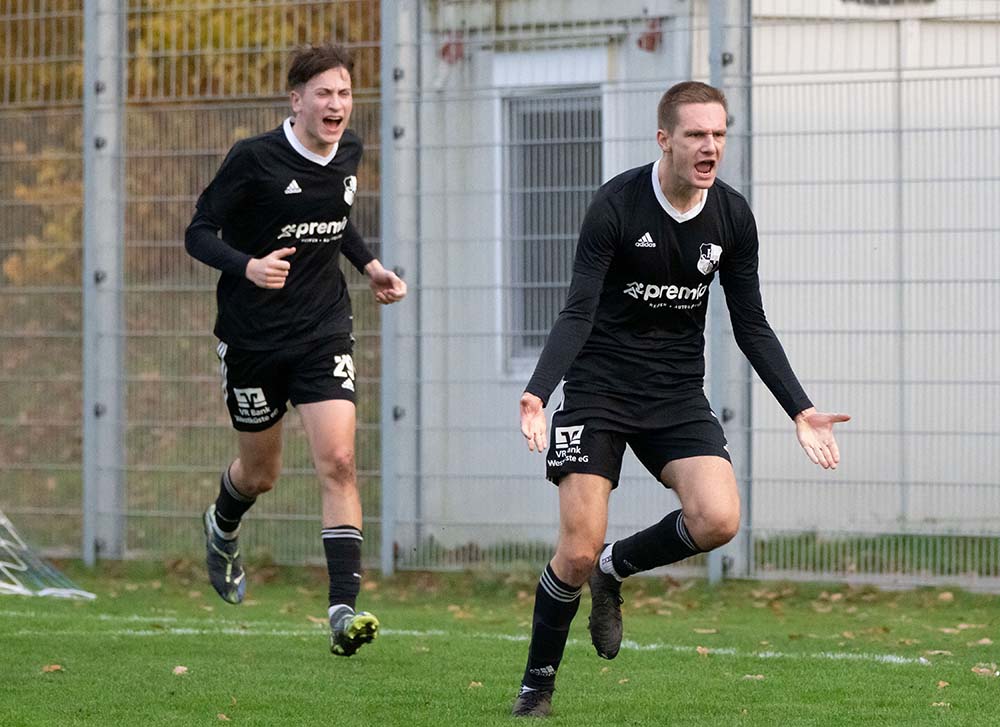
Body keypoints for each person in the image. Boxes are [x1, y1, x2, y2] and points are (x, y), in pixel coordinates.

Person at [511, 81, 850, 716]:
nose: (710, 146)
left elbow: (751, 324)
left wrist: (800, 409)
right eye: (696, 134)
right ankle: (537, 686)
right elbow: (579, 311)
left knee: (719, 519)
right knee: (576, 548)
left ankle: (617, 569)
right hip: (598, 388)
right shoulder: (615, 205)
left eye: (719, 134)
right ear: (664, 140)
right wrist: (538, 392)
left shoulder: (732, 216)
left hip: (674, 392)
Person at [184, 42, 406, 657]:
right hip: (253, 339)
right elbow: (198, 232)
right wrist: (247, 265)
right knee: (262, 474)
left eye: (344, 93)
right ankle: (222, 523)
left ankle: (342, 609)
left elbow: (335, 216)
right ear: (297, 100)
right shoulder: (253, 159)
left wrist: (370, 266)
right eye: (324, 94)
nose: (337, 105)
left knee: (338, 459)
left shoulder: (351, 152)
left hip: (322, 330)